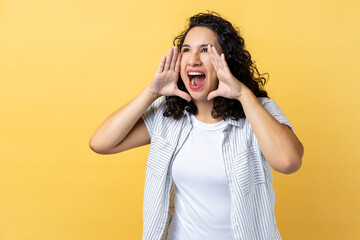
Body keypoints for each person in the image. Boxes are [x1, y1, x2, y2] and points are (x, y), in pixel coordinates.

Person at [89, 11, 304, 240]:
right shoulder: (168, 115)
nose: (193, 59)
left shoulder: (258, 110)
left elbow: (289, 162)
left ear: (226, 60)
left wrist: (242, 93)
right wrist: (151, 93)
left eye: (205, 50)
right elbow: (101, 143)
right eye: (187, 50)